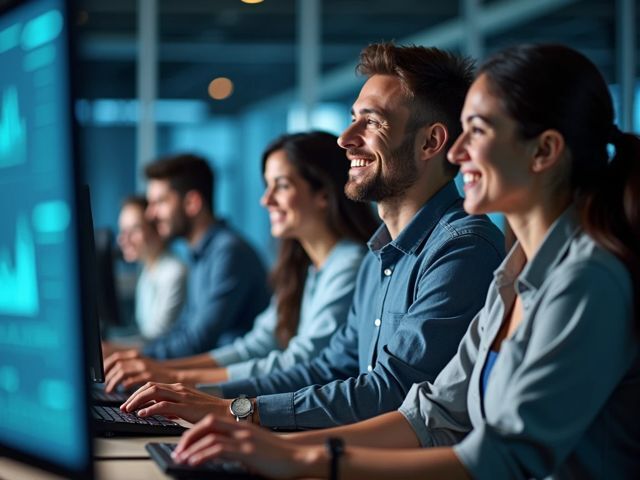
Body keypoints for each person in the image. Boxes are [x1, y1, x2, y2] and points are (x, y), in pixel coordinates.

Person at [168, 44, 640, 479]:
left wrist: (295, 453)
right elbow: (432, 413)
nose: (459, 151)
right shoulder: (512, 276)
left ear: (544, 151)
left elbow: (501, 457)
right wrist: (258, 436)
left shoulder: (581, 279)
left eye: (475, 130)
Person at [121, 43, 505, 430]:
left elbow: (393, 391)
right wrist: (210, 399)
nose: (345, 138)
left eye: (371, 122)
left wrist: (236, 410)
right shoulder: (380, 256)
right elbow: (328, 367)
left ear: (430, 143)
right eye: (353, 118)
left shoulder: (462, 248)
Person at [102, 132, 378, 392]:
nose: (265, 199)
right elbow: (258, 344)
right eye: (267, 186)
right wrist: (162, 371)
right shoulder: (304, 267)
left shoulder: (349, 264)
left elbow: (303, 361)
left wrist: (175, 376)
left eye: (281, 186)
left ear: (324, 195)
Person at [103, 154, 271, 360]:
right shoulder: (202, 255)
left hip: (234, 383)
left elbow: (198, 340)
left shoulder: (228, 252)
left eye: (160, 202)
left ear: (192, 203)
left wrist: (132, 355)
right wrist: (124, 352)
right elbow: (183, 330)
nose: (150, 215)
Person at [116, 195, 187, 340]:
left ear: (157, 230)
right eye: (122, 230)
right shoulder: (148, 271)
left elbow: (155, 338)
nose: (123, 239)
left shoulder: (174, 272)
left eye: (134, 229)